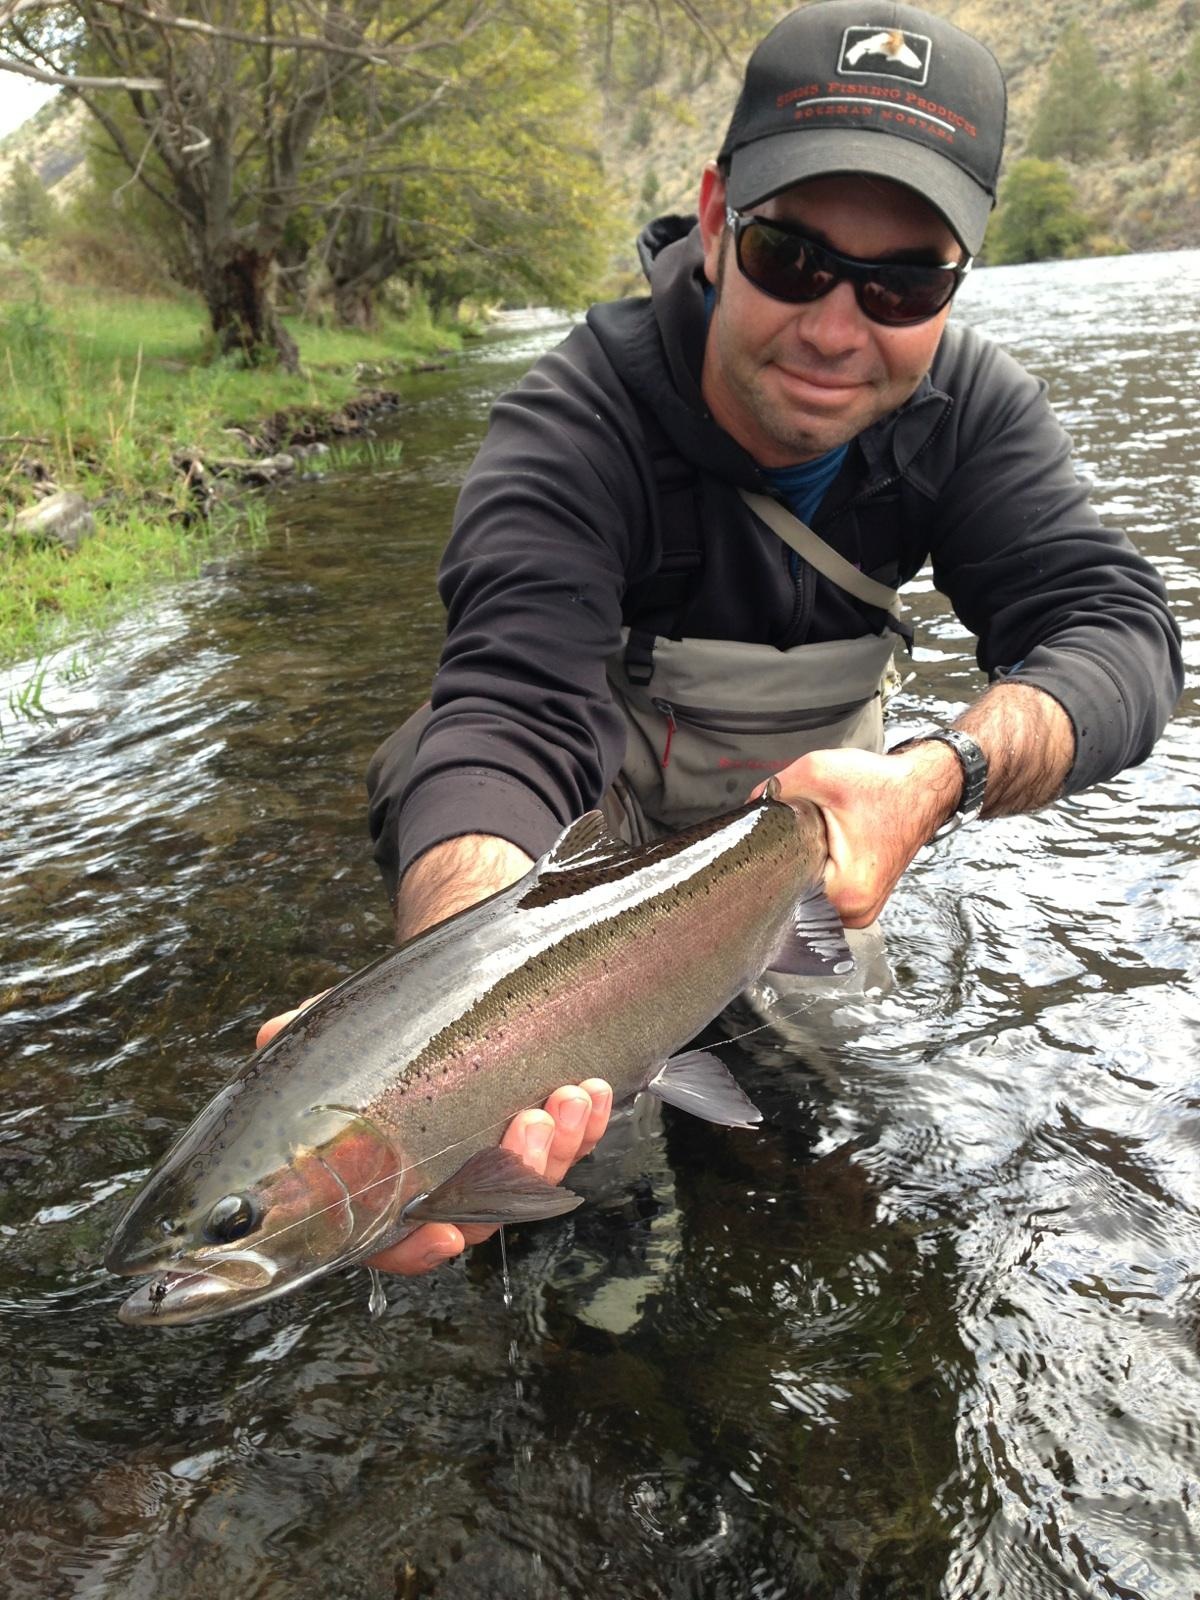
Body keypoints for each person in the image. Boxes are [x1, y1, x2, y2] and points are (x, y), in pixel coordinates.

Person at [268, 1, 1182, 1276]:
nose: (834, 325)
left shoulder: (972, 417)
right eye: (793, 257)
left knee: (812, 1129)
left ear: (955, 285)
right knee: (578, 1140)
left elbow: (1122, 633)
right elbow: (505, 709)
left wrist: (937, 780)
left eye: (904, 280)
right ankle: (606, 1232)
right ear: (714, 221)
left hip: (813, 839)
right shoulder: (576, 422)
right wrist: (452, 1025)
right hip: (584, 850)